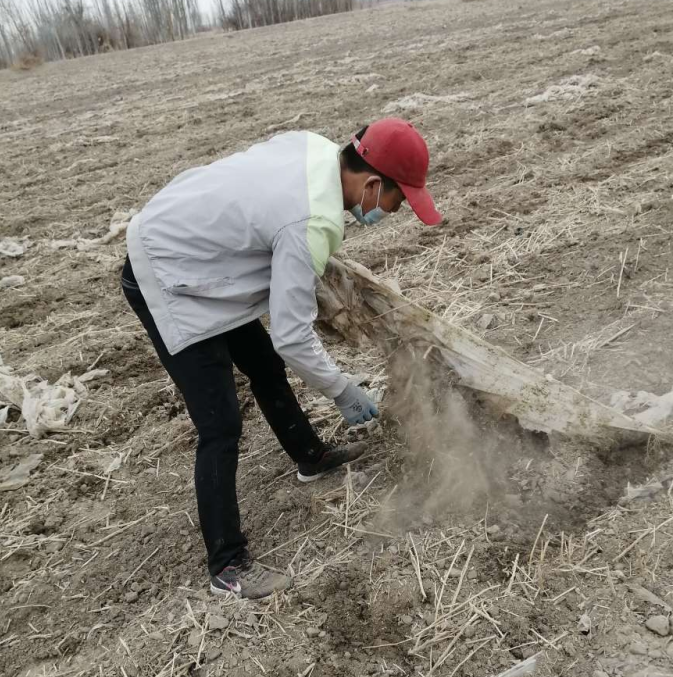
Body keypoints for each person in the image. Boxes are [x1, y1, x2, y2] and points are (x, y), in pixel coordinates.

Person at [121, 118, 441, 599]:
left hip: (202, 250)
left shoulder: (317, 150)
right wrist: (342, 389)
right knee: (220, 424)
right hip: (168, 272)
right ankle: (226, 566)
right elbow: (291, 334)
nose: (395, 212)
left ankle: (311, 457)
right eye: (398, 202)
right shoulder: (311, 220)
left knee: (266, 368)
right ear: (374, 183)